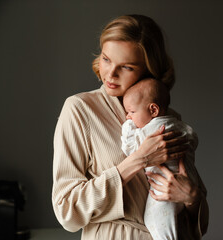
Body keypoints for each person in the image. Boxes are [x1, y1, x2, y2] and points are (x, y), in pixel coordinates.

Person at [52, 14, 209, 240]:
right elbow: (66, 211)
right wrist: (139, 160)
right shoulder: (80, 110)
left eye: (126, 67)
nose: (111, 74)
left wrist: (191, 197)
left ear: (149, 68)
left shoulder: (167, 117)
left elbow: (199, 225)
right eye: (106, 59)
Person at [121, 78, 200, 240]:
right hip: (186, 182)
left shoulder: (149, 131)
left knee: (155, 221)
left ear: (153, 110)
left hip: (162, 189)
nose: (128, 116)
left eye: (131, 112)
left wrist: (127, 127)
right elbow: (193, 138)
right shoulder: (178, 124)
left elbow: (130, 149)